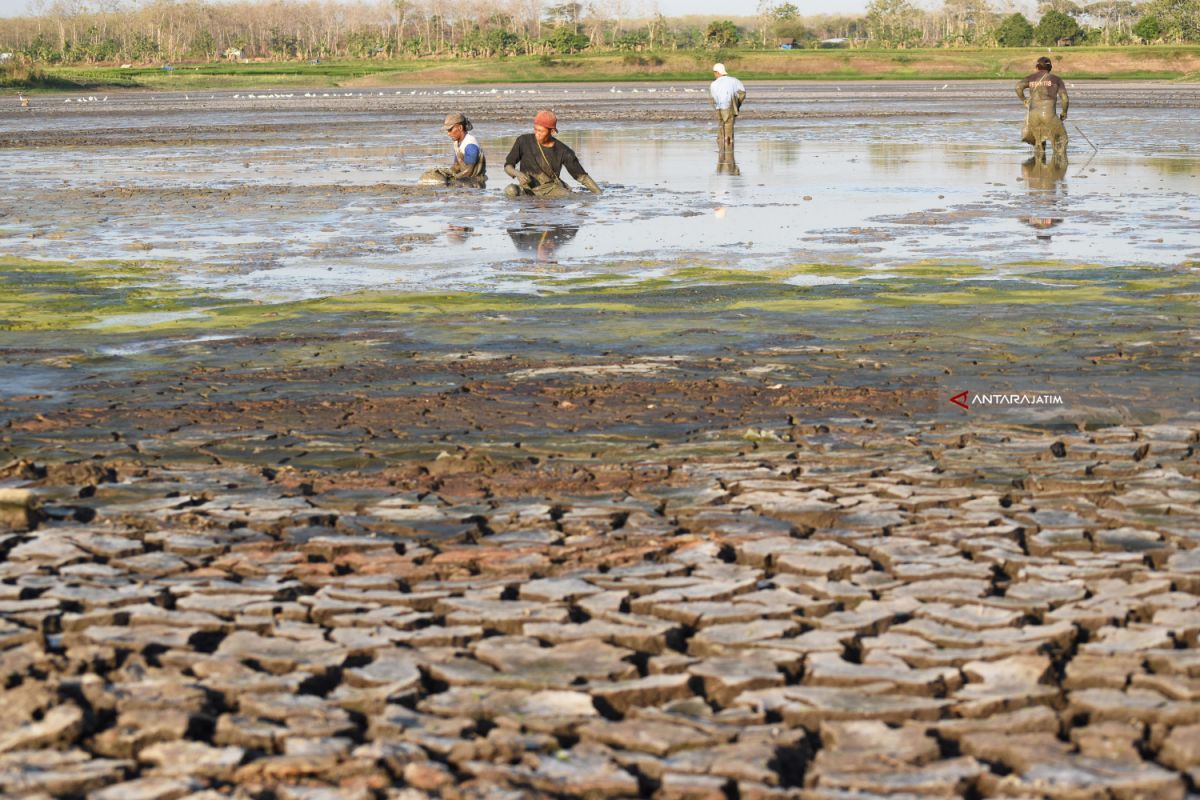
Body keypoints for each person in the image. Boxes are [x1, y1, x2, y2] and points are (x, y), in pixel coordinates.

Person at [503, 111, 602, 198]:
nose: (537, 134)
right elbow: (508, 166)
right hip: (526, 189)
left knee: (569, 197)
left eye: (541, 131)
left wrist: (599, 194)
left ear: (552, 131)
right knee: (511, 190)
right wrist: (518, 174)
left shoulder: (564, 151)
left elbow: (582, 177)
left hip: (551, 190)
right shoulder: (523, 141)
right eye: (535, 129)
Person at [1016, 56, 1069, 158]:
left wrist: (1024, 100)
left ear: (1037, 67)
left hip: (1033, 115)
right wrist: (1064, 112)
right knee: (1061, 141)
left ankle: (1038, 169)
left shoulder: (1030, 78)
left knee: (1039, 144)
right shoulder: (1056, 79)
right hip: (1049, 115)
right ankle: (1057, 167)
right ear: (1050, 68)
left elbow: (1018, 87)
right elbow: (1065, 98)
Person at [418, 112, 487, 188]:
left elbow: (469, 172)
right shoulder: (457, 143)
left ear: (460, 128)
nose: (448, 133)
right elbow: (456, 166)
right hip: (464, 179)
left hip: (475, 182)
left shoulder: (470, 145)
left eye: (450, 130)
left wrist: (452, 178)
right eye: (447, 131)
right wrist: (446, 172)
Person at [710, 63, 746, 150]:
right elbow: (742, 93)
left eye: (714, 72)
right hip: (729, 106)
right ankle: (729, 148)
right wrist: (737, 104)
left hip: (719, 108)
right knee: (729, 125)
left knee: (721, 124)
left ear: (717, 72)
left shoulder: (713, 84)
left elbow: (713, 98)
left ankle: (721, 149)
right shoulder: (734, 80)